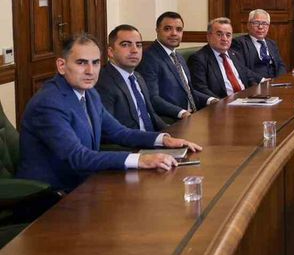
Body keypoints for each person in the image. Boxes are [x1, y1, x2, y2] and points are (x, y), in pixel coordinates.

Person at [16, 34, 202, 192]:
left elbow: (118, 132)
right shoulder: (49, 103)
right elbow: (78, 157)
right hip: (51, 195)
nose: (90, 71)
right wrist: (141, 160)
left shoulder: (89, 93)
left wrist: (163, 140)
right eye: (81, 63)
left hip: (85, 184)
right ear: (61, 65)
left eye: (95, 63)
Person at [137, 11, 213, 121]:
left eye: (179, 29)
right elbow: (152, 98)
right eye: (168, 29)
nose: (174, 33)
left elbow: (188, 91)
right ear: (157, 30)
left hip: (192, 115)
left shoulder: (178, 56)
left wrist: (211, 100)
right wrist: (181, 113)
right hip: (173, 120)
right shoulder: (149, 58)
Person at [95, 24, 168, 132]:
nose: (134, 50)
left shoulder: (138, 77)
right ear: (110, 51)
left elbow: (151, 115)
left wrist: (171, 132)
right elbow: (108, 131)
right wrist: (155, 139)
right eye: (125, 45)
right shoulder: (103, 82)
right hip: (132, 141)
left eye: (138, 45)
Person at [189, 17, 261, 99]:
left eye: (228, 35)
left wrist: (256, 93)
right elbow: (200, 88)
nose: (224, 39)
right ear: (208, 36)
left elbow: (248, 78)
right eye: (219, 34)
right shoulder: (199, 59)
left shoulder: (235, 55)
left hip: (246, 100)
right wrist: (220, 102)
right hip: (221, 103)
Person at [232, 9, 287, 79]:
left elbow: (280, 65)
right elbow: (241, 68)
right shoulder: (239, 43)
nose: (260, 27)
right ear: (248, 25)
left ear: (268, 26)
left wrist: (279, 80)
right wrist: (261, 80)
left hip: (275, 82)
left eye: (264, 23)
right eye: (256, 23)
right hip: (254, 83)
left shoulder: (272, 43)